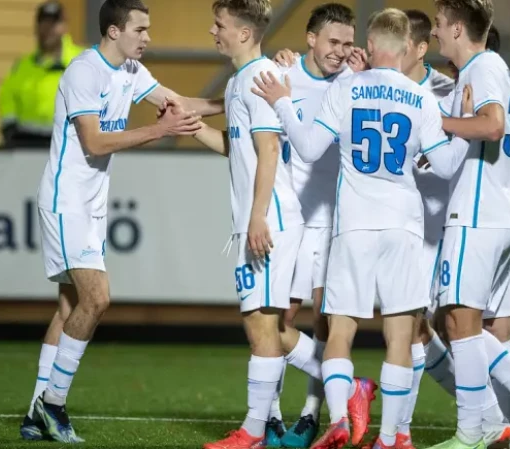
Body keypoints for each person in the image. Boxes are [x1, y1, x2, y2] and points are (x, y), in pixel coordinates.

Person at [252, 8, 471, 449]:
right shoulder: (421, 98)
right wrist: (464, 127)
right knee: (400, 335)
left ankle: (338, 419)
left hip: (353, 224)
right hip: (403, 225)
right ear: (407, 47)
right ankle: (389, 439)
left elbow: (308, 149)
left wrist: (282, 102)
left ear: (370, 46)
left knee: (340, 330)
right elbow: (447, 165)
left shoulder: (347, 88)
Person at [24, 0, 222, 443]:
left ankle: (36, 412)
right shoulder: (84, 72)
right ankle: (52, 404)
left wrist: (236, 98)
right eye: (140, 29)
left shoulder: (131, 70)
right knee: (97, 299)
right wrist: (160, 130)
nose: (148, 38)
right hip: (66, 202)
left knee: (70, 308)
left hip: (90, 205)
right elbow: (94, 143)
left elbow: (178, 103)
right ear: (114, 31)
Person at [188, 2, 329, 448]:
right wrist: (189, 128)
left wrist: (256, 216)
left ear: (245, 33)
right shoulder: (239, 80)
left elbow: (269, 150)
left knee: (262, 327)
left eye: (220, 24)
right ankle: (347, 385)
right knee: (269, 328)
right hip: (266, 218)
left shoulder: (259, 77)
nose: (213, 31)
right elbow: (240, 148)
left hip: (271, 219)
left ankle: (252, 431)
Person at [424, 2, 510, 449]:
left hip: (477, 215)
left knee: (457, 322)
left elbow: (492, 126)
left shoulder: (482, 68)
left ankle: (476, 429)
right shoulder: (490, 75)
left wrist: (442, 123)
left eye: (439, 24)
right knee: (490, 329)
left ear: (457, 28)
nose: (435, 33)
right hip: (503, 215)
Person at [266, 5, 379, 448]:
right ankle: (280, 412)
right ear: (310, 38)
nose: (341, 51)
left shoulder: (355, 82)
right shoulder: (285, 75)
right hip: (291, 218)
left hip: (335, 221)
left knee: (325, 321)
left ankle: (311, 416)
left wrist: (367, 77)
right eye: (333, 41)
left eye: (348, 43)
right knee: (277, 320)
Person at [0, 1, 84, 147]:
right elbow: (8, 99)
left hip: (70, 143)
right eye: (43, 24)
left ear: (65, 26)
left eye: (53, 24)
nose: (48, 30)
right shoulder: (22, 66)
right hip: (28, 142)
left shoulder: (83, 62)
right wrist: (9, 128)